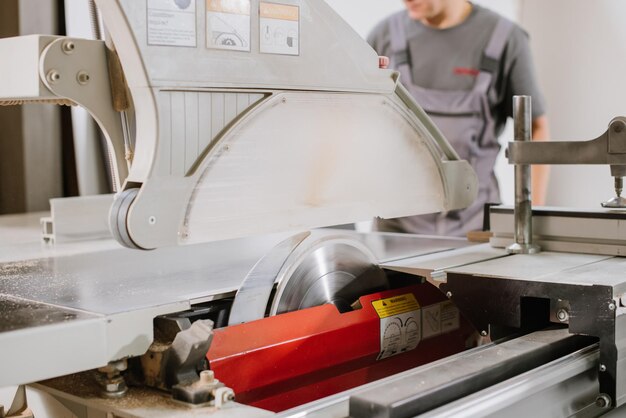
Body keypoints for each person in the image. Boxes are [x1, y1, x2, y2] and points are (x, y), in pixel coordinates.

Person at [368, 0, 550, 237]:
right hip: (395, 233)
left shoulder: (505, 39)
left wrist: (530, 218)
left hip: (476, 234)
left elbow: (536, 129)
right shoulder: (384, 36)